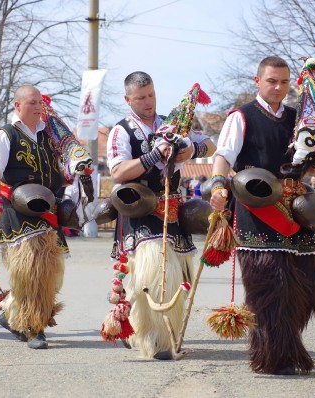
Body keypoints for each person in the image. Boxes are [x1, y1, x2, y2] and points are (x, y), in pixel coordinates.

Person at [210, 56, 315, 375]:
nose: (278, 87)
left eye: (283, 81)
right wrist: (218, 186)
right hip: (256, 205)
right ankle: (275, 356)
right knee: (271, 286)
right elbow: (223, 156)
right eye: (271, 81)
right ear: (258, 81)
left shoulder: (299, 118)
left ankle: (283, 341)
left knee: (313, 286)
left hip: (295, 208)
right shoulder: (241, 117)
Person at [106, 71, 215, 360]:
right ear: (128, 99)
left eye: (151, 94)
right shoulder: (120, 131)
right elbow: (118, 172)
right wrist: (154, 156)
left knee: (178, 274)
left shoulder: (172, 124)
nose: (148, 101)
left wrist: (191, 149)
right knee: (152, 272)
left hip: (174, 211)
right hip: (140, 210)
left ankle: (166, 334)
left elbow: (211, 145)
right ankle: (152, 340)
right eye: (141, 97)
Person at [0, 85, 93, 349]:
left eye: (39, 103)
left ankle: (14, 313)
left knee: (49, 273)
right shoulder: (4, 135)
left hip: (47, 210)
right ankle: (33, 329)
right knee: (30, 268)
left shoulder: (50, 135)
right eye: (32, 102)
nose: (37, 107)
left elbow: (64, 168)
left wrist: (76, 168)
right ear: (17, 106)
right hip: (16, 209)